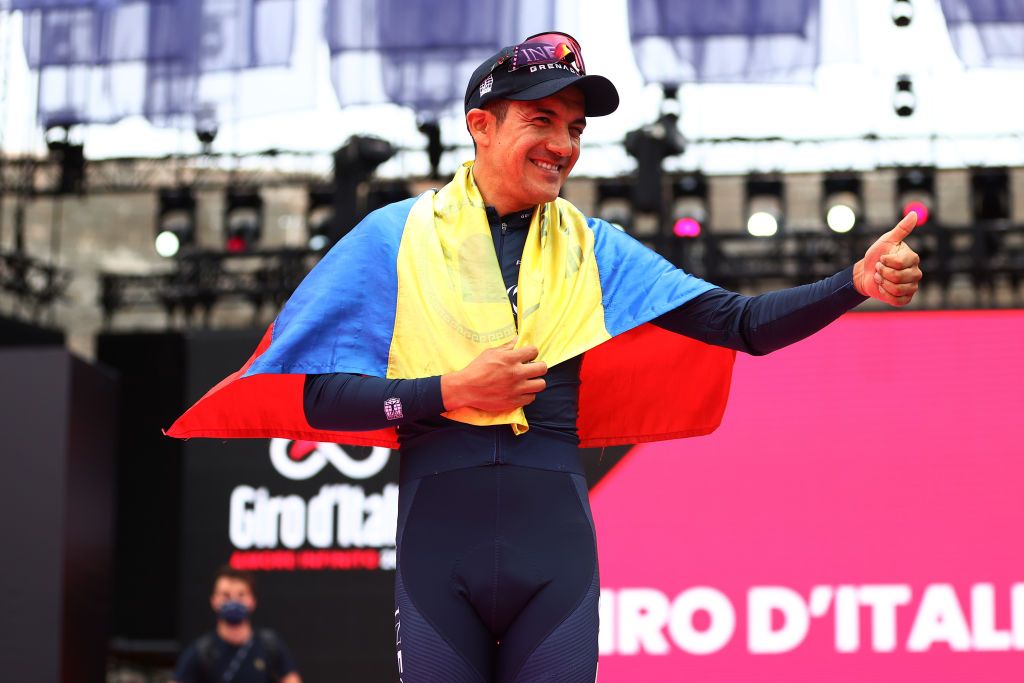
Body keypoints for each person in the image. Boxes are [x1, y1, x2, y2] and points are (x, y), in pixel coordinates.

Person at [169, 31, 922, 683]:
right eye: (542, 120)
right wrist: (448, 389)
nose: (564, 144)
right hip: (440, 551)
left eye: (575, 126)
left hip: (554, 551)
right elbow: (315, 397)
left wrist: (850, 283)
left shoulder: (598, 250)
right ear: (480, 127)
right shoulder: (390, 238)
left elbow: (745, 324)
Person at [172, 566, 302, 683]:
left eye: (241, 595)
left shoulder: (270, 645)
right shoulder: (200, 652)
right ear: (214, 600)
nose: (234, 601)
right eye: (226, 595)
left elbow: (291, 679)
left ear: (252, 600)